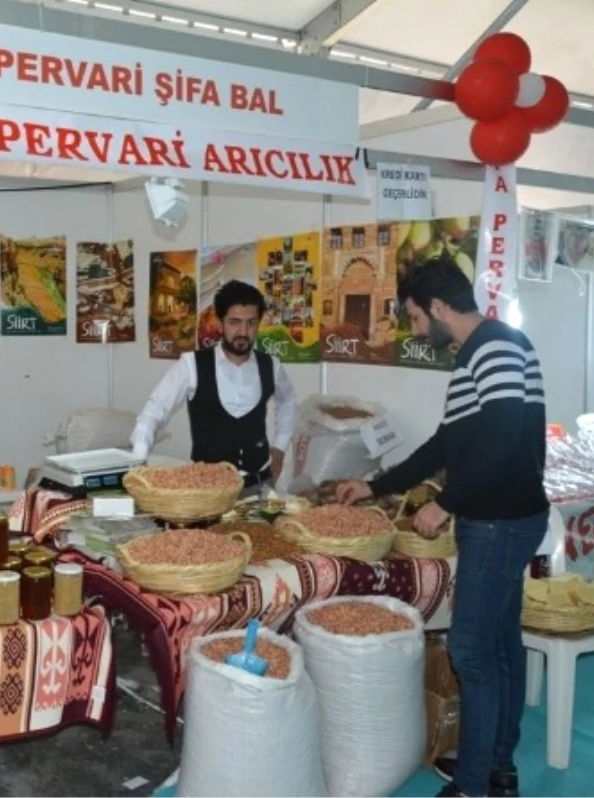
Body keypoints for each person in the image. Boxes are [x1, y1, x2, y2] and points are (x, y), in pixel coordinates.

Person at [335, 253, 548, 798]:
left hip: (499, 522)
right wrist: (376, 484)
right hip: (501, 518)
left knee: (472, 649)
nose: (414, 330)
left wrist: (445, 504)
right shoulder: (474, 354)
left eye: (413, 318)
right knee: (499, 646)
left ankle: (475, 784)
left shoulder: (497, 345)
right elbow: (445, 443)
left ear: (437, 306)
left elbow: (502, 436)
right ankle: (497, 767)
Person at [131, 280, 297, 490]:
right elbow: (153, 412)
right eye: (234, 322)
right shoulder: (191, 365)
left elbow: (288, 402)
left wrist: (280, 447)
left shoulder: (271, 365)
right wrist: (138, 464)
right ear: (220, 322)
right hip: (205, 490)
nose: (243, 332)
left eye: (251, 322)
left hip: (259, 484)